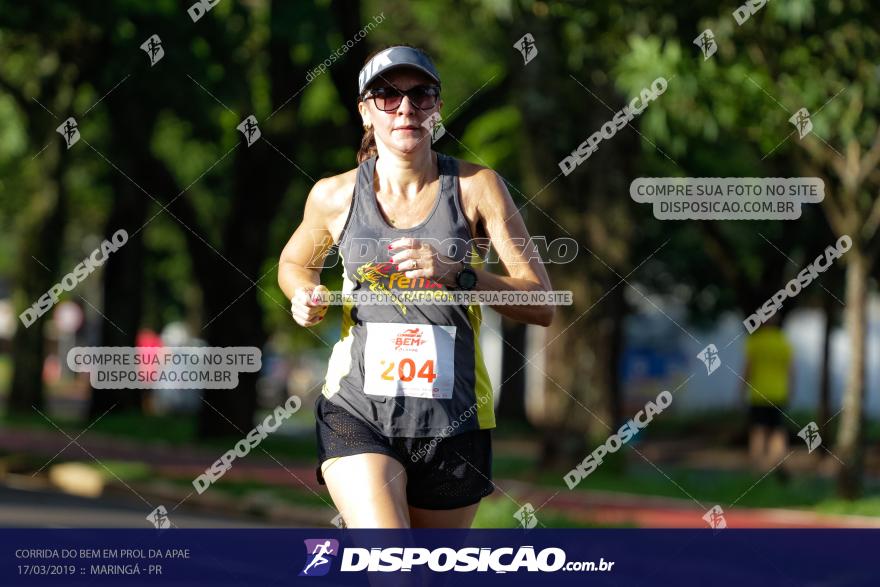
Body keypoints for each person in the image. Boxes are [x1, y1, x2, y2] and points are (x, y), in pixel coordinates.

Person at [278, 45, 554, 528]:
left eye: (420, 94)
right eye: (387, 95)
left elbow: (540, 302)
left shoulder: (477, 186)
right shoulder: (334, 194)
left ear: (437, 108)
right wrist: (302, 293)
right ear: (365, 111)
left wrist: (459, 274)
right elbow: (293, 263)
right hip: (357, 409)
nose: (405, 108)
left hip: (454, 419)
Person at [741, 317, 794, 477]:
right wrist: (790, 390)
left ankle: (758, 468)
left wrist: (741, 389)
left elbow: (748, 368)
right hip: (778, 393)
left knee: (758, 429)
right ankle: (779, 461)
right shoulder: (783, 342)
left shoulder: (754, 341)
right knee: (777, 430)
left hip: (758, 393)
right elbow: (791, 370)